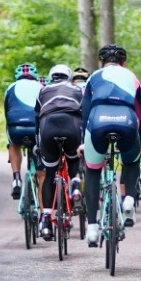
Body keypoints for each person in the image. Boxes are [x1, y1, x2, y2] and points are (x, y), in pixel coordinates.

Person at [80, 45, 141, 246]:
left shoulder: (94, 77)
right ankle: (128, 200)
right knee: (132, 161)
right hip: (125, 122)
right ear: (123, 63)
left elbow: (84, 112)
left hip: (98, 122)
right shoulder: (132, 77)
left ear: (101, 62)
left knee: (92, 171)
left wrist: (85, 139)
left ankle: (92, 228)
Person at [34, 64, 84, 240]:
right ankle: (76, 185)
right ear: (69, 76)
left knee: (49, 174)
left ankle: (46, 221)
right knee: (73, 160)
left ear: (51, 76)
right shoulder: (77, 89)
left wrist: (37, 144)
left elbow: (36, 118)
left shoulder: (43, 90)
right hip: (71, 124)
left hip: (48, 126)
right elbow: (85, 115)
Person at [4, 63, 43, 199]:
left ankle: (16, 178)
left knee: (13, 143)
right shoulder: (42, 87)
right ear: (35, 76)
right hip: (36, 129)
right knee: (42, 167)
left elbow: (6, 112)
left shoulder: (10, 88)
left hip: (16, 128)